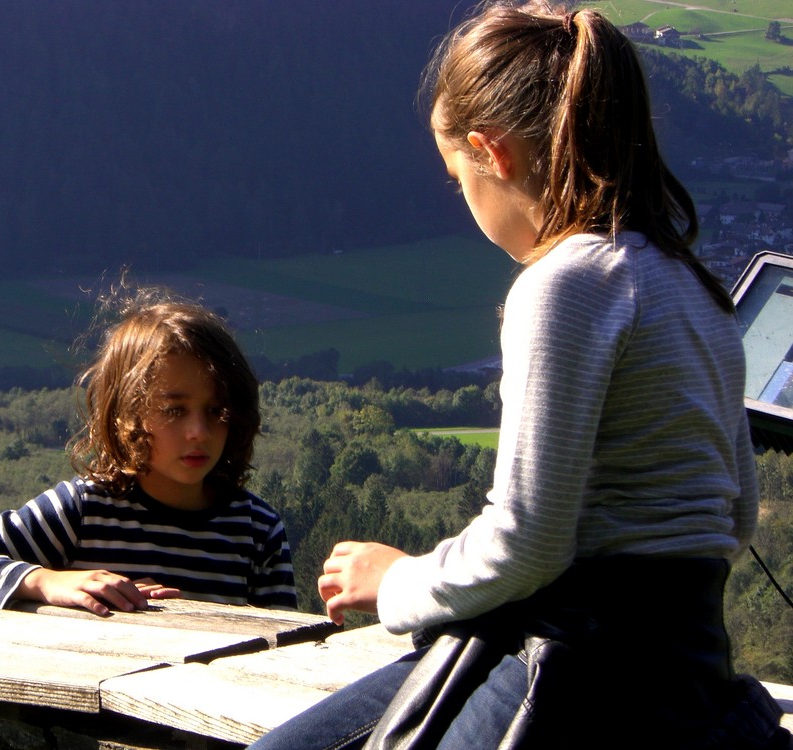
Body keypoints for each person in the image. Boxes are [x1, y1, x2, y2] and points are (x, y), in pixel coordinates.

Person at [250, 1, 789, 748]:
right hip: (691, 672)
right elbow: (733, 517)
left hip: (577, 669)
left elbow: (528, 542)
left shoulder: (562, 284)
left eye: (456, 176)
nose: (464, 197)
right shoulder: (693, 286)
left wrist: (398, 582)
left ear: (491, 152)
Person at [0, 287, 297, 615]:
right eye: (173, 410)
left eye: (217, 411)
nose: (198, 432)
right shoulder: (84, 511)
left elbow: (286, 650)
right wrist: (46, 582)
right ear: (125, 413)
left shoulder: (256, 531)